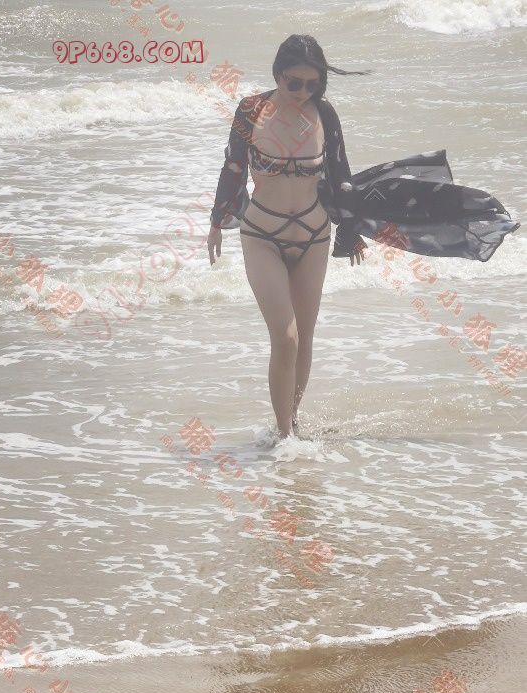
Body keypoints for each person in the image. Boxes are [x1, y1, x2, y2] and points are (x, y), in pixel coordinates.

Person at [207, 34, 520, 441]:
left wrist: (350, 231)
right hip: (262, 234)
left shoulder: (324, 113)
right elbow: (233, 167)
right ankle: (284, 439)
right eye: (294, 83)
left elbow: (342, 178)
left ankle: (291, 422)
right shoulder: (251, 111)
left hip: (313, 236)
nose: (303, 91)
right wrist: (217, 220)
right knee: (285, 337)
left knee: (304, 338)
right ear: (277, 75)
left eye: (312, 83)